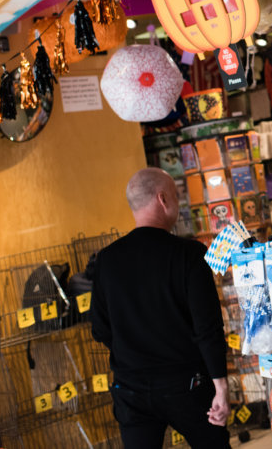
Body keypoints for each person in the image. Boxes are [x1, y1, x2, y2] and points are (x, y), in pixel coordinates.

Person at [91, 168, 230, 448]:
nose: (178, 203)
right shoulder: (189, 254)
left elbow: (100, 329)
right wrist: (221, 386)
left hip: (130, 388)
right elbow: (207, 327)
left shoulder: (106, 260)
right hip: (186, 383)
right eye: (176, 196)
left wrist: (134, 353)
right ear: (163, 199)